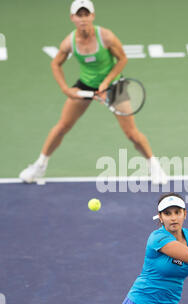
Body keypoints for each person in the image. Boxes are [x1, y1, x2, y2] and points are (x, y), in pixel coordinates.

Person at [19, 0, 167, 185]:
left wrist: (105, 83)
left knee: (131, 133)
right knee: (62, 126)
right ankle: (39, 167)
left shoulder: (105, 36)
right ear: (72, 18)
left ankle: (154, 167)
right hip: (86, 86)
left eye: (86, 14)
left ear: (92, 16)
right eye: (78, 15)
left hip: (113, 85)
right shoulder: (69, 42)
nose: (83, 19)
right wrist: (66, 89)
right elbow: (55, 63)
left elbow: (122, 59)